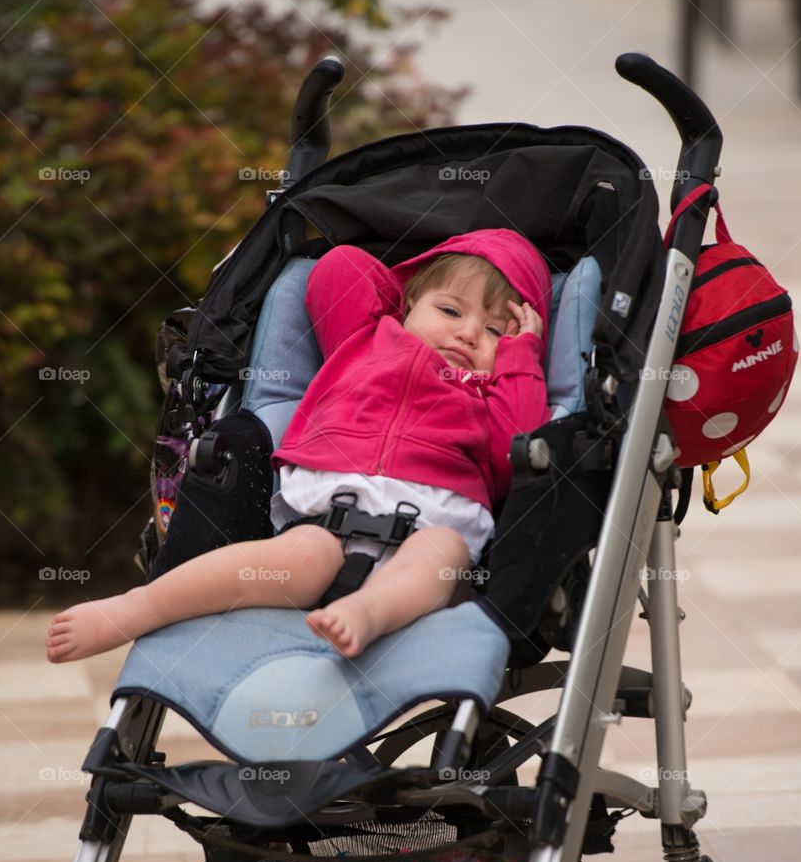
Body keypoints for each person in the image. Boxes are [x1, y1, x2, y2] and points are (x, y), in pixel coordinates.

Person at [46, 228, 551, 663]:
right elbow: (340, 269)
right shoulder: (365, 341)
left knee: (441, 555)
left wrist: (520, 356)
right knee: (301, 556)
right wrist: (400, 295)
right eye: (449, 309)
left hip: (433, 527)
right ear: (408, 303)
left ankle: (367, 612)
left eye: (492, 331)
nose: (466, 333)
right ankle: (138, 608)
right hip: (326, 518)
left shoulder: (491, 392)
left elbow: (521, 448)